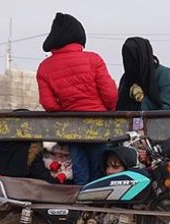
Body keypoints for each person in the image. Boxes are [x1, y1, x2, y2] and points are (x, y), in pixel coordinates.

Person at [37, 12, 118, 185]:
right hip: (99, 123)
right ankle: (98, 200)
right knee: (99, 169)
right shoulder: (93, 59)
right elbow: (110, 94)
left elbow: (48, 103)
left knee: (79, 171)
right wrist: (108, 111)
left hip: (71, 126)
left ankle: (81, 200)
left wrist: (66, 110)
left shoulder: (44, 67)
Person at [116, 37, 170, 111]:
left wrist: (142, 100)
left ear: (142, 57)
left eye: (132, 58)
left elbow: (169, 108)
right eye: (127, 59)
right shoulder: (126, 79)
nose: (129, 63)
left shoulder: (163, 75)